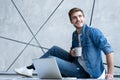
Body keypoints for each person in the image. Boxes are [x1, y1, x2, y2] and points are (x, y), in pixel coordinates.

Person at [14, 7, 114, 79]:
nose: (78, 19)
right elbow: (73, 52)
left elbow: (109, 51)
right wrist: (72, 52)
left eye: (80, 16)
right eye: (75, 17)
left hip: (88, 72)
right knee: (54, 49)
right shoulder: (75, 34)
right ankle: (30, 68)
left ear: (84, 17)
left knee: (50, 60)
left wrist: (110, 73)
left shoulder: (93, 32)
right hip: (77, 62)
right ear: (71, 21)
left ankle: (34, 69)